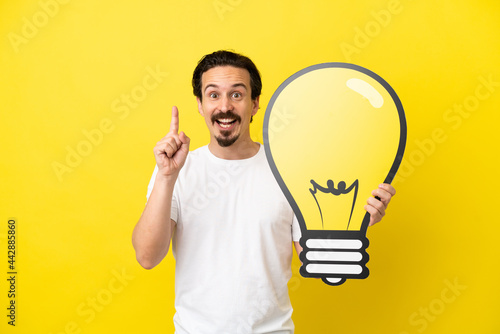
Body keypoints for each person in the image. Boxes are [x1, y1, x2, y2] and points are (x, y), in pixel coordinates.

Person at [132, 50, 396, 333]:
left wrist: (353, 222)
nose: (225, 106)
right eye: (213, 95)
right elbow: (147, 257)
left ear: (255, 103)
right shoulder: (174, 170)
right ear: (199, 104)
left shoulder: (291, 171)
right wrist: (166, 176)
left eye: (237, 95)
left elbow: (311, 254)